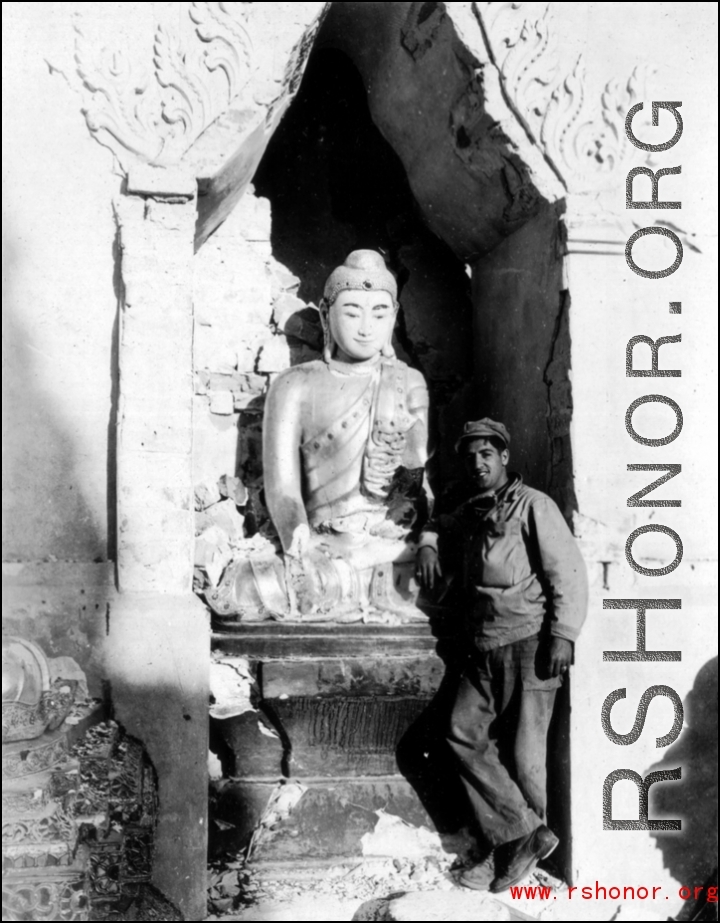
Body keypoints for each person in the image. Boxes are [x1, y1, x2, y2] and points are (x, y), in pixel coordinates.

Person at [208, 250, 431, 622]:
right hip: (320, 547)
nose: (366, 327)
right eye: (352, 312)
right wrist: (299, 543)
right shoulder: (293, 385)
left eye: (379, 313)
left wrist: (403, 462)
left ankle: (364, 587)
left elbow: (416, 487)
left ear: (393, 318)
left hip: (386, 547)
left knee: (457, 570)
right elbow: (282, 489)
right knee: (250, 586)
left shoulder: (407, 382)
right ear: (327, 315)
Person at [416, 418, 588, 893]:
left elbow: (567, 574)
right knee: (460, 730)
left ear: (504, 457)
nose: (477, 464)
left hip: (530, 642)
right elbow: (438, 522)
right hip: (484, 645)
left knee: (524, 753)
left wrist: (564, 634)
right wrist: (429, 543)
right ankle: (521, 834)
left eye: (486, 455)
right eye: (469, 457)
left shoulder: (534, 506)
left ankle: (519, 856)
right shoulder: (471, 510)